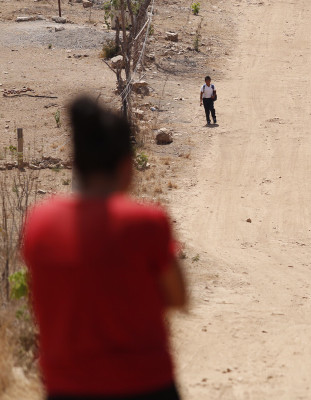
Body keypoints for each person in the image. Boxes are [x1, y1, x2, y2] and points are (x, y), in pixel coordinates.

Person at [22, 97, 187, 400]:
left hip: (66, 387)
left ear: (76, 164)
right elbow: (179, 298)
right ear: (126, 167)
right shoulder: (147, 221)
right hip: (145, 384)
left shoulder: (39, 224)